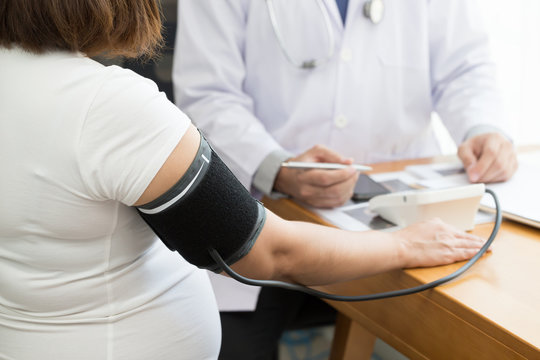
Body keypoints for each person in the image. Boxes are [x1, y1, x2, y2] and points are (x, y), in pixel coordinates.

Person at [0, 1, 487, 359]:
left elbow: (469, 66)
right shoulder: (109, 106)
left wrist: (485, 128)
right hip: (255, 244)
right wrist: (406, 245)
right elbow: (270, 251)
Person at [172, 0, 518, 358]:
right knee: (223, 350)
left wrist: (483, 128)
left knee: (482, 327)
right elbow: (208, 94)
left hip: (400, 211)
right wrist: (275, 165)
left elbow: (465, 68)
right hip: (267, 217)